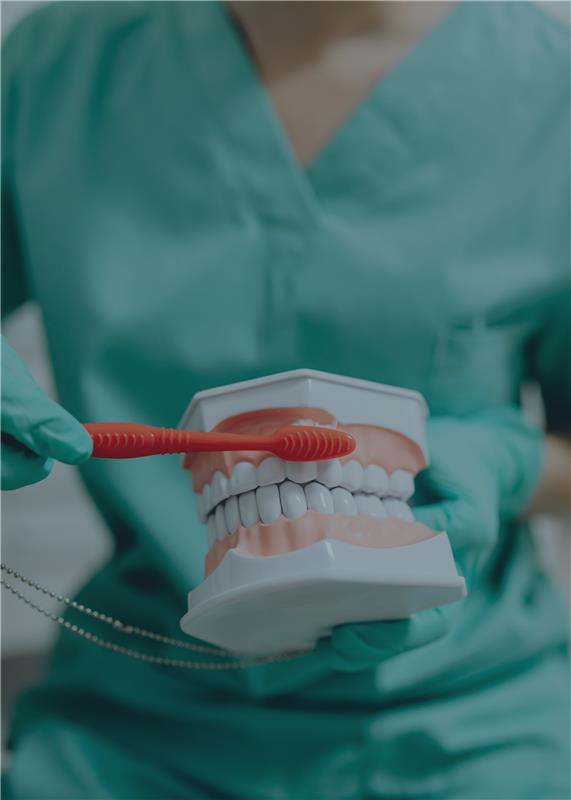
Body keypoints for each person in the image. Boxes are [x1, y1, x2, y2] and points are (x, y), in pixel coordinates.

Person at [2, 2, 569, 798]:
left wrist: (507, 464)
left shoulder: (550, 95)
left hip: (472, 720)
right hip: (131, 719)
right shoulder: (55, 70)